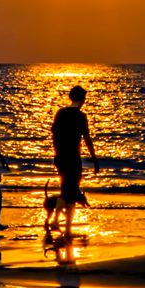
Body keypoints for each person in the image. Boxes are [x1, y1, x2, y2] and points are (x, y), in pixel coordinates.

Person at [49, 84, 99, 234]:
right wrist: (94, 158)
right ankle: (67, 227)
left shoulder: (60, 113)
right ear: (83, 99)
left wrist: (57, 154)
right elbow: (87, 138)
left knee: (66, 189)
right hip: (73, 158)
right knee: (72, 191)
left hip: (60, 156)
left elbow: (54, 136)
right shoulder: (81, 116)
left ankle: (56, 221)